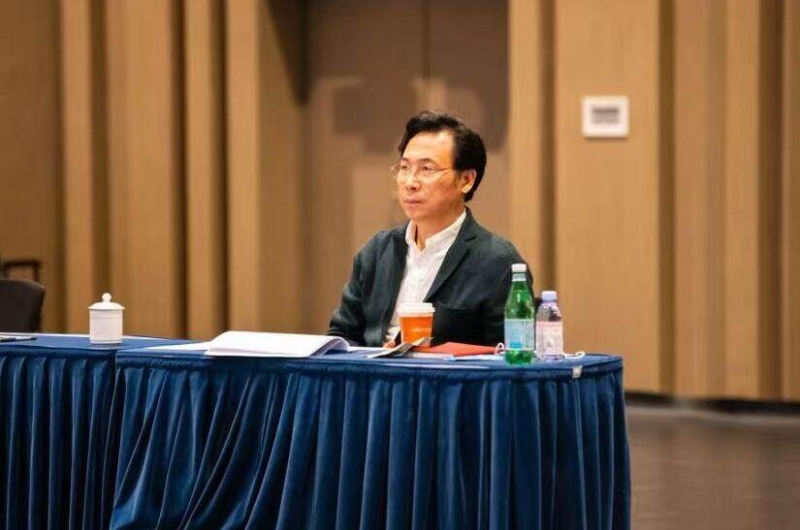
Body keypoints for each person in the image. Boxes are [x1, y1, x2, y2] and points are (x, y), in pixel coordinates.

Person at [327, 111, 531, 347]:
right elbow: (341, 337)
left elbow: (513, 356)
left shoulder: (497, 262)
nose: (410, 182)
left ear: (466, 180)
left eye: (427, 169)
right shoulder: (377, 251)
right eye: (404, 167)